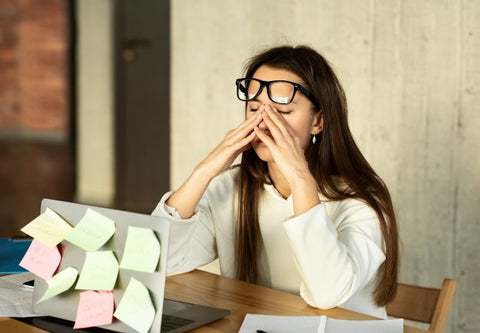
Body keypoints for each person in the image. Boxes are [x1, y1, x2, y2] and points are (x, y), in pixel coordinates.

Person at [152, 45, 399, 318]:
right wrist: (205, 171)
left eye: (282, 113)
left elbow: (326, 293)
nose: (264, 123)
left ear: (318, 121)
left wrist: (301, 180)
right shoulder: (231, 187)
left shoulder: (360, 200)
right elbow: (158, 261)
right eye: (255, 108)